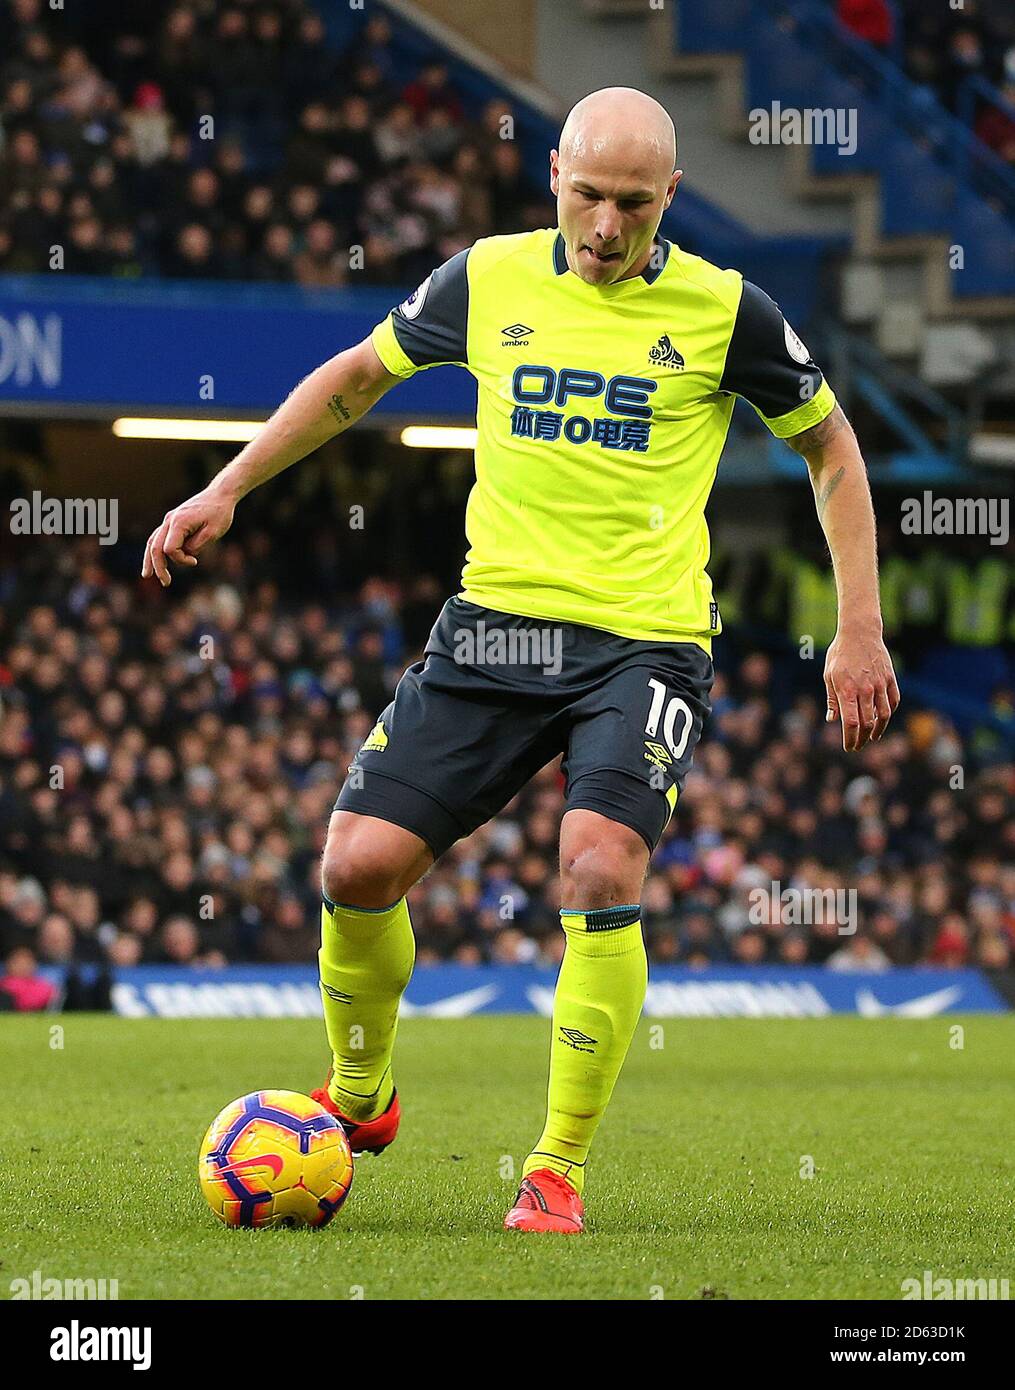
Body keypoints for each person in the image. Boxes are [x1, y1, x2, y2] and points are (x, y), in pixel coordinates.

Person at [142, 87, 900, 1234]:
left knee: (596, 867)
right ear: (553, 174)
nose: (606, 227)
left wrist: (858, 625)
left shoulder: (727, 311)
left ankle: (555, 1168)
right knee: (353, 867)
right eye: (589, 195)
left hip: (642, 644)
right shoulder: (483, 279)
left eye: (635, 205)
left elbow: (831, 447)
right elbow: (355, 378)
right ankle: (361, 1093)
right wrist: (227, 484)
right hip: (492, 632)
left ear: (671, 198)